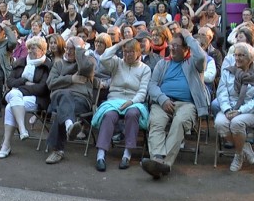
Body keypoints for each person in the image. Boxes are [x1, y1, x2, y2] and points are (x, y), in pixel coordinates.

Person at [141, 29, 209, 178]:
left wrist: (189, 37)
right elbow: (152, 85)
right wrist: (162, 99)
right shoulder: (162, 63)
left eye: (177, 46)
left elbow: (201, 56)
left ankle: (164, 163)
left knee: (179, 122)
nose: (172, 48)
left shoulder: (194, 63)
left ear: (186, 49)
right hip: (163, 102)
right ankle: (157, 159)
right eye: (171, 45)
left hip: (187, 104)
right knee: (156, 121)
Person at [91, 38, 151, 171]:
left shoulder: (145, 69)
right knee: (109, 115)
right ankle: (100, 155)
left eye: (130, 52)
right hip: (114, 99)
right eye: (125, 52)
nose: (127, 55)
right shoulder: (117, 63)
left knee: (132, 114)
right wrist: (118, 44)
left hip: (133, 101)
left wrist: (131, 102)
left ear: (138, 52)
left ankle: (127, 154)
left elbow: (143, 91)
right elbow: (104, 58)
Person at [214, 43, 254, 171]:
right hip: (229, 109)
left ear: (250, 58)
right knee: (219, 123)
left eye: (241, 55)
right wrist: (227, 109)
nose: (237, 58)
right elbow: (221, 93)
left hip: (251, 111)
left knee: (237, 123)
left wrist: (239, 111)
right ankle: (244, 147)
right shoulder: (228, 72)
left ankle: (238, 155)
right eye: (236, 55)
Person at [0, 36, 52, 158]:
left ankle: (6, 145)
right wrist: (24, 81)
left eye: (34, 48)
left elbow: (42, 88)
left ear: (42, 50)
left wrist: (21, 88)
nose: (31, 51)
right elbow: (10, 82)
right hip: (19, 97)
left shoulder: (47, 66)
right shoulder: (21, 62)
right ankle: (22, 129)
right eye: (29, 48)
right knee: (14, 96)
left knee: (10, 106)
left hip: (37, 99)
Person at [44, 36, 96, 164]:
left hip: (80, 100)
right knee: (65, 96)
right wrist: (70, 79)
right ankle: (69, 127)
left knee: (63, 110)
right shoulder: (58, 64)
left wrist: (79, 49)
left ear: (80, 49)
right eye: (67, 48)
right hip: (59, 98)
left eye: (72, 49)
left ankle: (58, 150)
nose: (68, 52)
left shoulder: (88, 62)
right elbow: (50, 83)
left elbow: (85, 69)